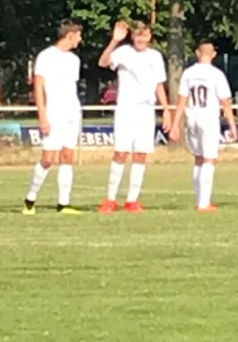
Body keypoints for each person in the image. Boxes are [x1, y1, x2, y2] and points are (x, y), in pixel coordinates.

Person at [97, 20, 171, 213]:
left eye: (144, 35)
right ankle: (110, 199)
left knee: (140, 154)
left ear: (149, 37)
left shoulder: (155, 56)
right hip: (126, 108)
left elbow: (159, 85)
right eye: (138, 35)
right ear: (132, 37)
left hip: (146, 110)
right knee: (121, 152)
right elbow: (103, 62)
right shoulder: (123, 52)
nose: (141, 39)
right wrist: (114, 40)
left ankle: (132, 200)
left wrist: (165, 110)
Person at [22, 20, 83, 215]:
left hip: (72, 112)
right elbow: (38, 87)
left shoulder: (74, 60)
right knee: (48, 158)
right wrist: (42, 115)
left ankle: (63, 203)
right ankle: (31, 198)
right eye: (78, 36)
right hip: (53, 112)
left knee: (68, 156)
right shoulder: (46, 56)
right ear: (69, 36)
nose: (80, 40)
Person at [168, 40, 237, 211]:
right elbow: (225, 102)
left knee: (198, 159)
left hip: (192, 118)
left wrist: (175, 124)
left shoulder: (188, 73)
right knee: (209, 159)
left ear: (197, 53)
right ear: (213, 55)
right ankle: (204, 203)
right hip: (208, 118)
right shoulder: (216, 74)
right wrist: (232, 125)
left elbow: (182, 100)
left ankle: (200, 199)